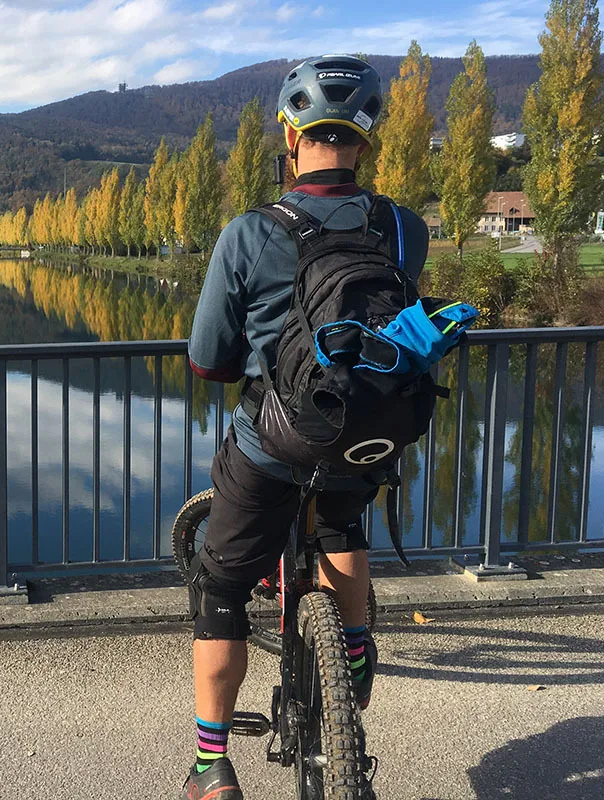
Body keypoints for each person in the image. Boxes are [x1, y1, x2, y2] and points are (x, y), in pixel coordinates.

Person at [180, 55, 430, 800]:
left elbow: (207, 360)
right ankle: (351, 649)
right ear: (366, 137)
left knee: (221, 590)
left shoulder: (251, 233)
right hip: (366, 432)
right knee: (343, 527)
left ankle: (209, 767)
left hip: (273, 443)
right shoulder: (403, 228)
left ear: (291, 133)